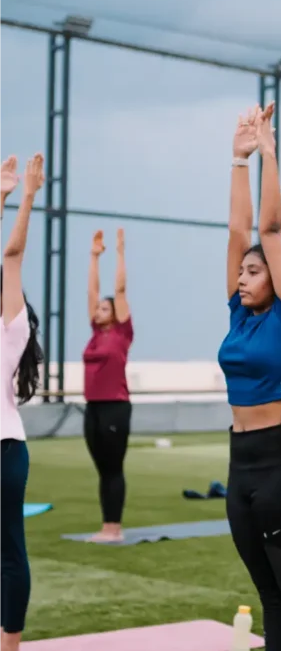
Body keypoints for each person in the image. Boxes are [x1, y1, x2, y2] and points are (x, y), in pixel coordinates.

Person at [217, 103, 281, 651]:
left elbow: (267, 229)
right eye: (241, 269)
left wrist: (269, 156)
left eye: (252, 269)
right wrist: (238, 159)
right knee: (269, 597)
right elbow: (239, 229)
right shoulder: (240, 314)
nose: (241, 275)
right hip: (241, 463)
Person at [0, 152, 46, 651]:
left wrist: (23, 197)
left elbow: (10, 257)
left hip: (4, 450)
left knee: (8, 551)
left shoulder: (10, 330)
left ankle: (8, 645)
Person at [83, 227, 134, 544]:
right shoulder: (95, 332)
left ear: (115, 314)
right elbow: (92, 291)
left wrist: (119, 253)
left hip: (116, 407)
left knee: (113, 468)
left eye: (105, 308)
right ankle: (107, 526)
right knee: (103, 470)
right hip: (93, 408)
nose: (99, 309)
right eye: (98, 308)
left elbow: (120, 290)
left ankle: (114, 528)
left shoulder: (122, 333)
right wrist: (93, 256)